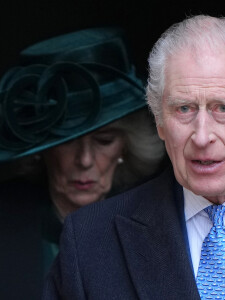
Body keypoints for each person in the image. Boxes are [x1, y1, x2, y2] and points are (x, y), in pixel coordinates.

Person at [43, 15, 225, 300]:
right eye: (184, 109)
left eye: (223, 108)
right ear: (159, 122)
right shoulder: (90, 239)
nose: (202, 137)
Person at [0, 27, 165, 300]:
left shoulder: (160, 223)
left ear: (127, 146)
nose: (85, 160)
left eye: (104, 141)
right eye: (67, 142)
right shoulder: (6, 219)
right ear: (43, 149)